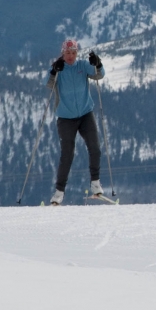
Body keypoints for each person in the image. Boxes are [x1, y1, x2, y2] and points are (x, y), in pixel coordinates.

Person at [47, 38, 106, 205]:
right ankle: (59, 192)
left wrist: (98, 63)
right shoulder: (59, 68)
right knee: (67, 154)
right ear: (63, 53)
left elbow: (99, 75)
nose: (71, 56)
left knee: (94, 147)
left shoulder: (81, 66)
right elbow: (48, 84)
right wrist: (53, 71)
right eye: (67, 53)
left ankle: (95, 183)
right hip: (66, 118)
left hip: (85, 114)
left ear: (77, 53)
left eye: (73, 53)